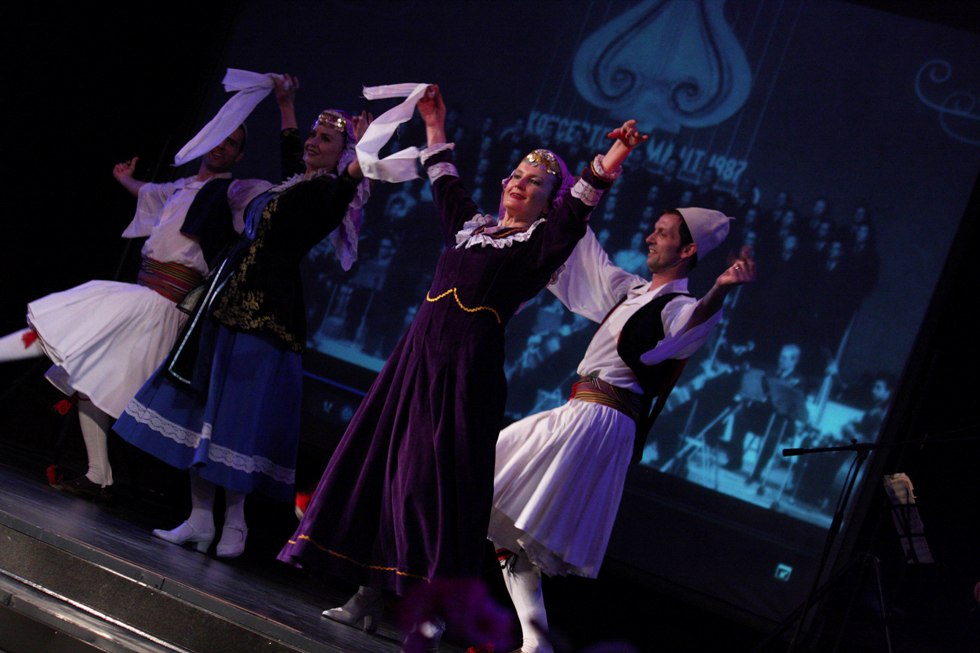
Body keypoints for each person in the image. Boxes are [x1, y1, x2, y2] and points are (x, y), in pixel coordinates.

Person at [277, 84, 646, 645]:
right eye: (517, 175)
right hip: (414, 365)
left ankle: (434, 609)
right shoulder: (472, 228)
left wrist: (616, 152)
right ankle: (368, 594)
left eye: (535, 182)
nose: (519, 183)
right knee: (388, 474)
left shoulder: (538, 246)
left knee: (435, 490)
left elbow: (579, 207)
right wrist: (434, 120)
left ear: (549, 201)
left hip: (465, 375)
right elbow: (443, 177)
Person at [113, 74, 371, 558]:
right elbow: (292, 150)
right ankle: (199, 519)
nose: (313, 142)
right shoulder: (296, 183)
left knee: (236, 415)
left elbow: (346, 182)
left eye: (326, 139)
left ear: (344, 155)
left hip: (263, 314)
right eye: (314, 134)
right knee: (205, 406)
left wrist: (366, 153)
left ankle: (236, 525)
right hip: (225, 299)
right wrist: (286, 103)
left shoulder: (327, 195)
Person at [488, 206, 755, 653]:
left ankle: (434, 607)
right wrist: (566, 200)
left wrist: (719, 290)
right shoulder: (631, 291)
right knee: (508, 526)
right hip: (584, 412)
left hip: (598, 418)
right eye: (654, 230)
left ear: (686, 250)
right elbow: (590, 258)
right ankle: (535, 643)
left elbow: (688, 328)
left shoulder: (679, 307)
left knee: (481, 480)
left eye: (663, 234)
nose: (650, 237)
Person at [0, 122, 267, 500]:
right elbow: (149, 193)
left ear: (239, 155)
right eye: (219, 137)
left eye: (232, 143)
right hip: (142, 298)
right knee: (85, 370)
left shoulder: (233, 192)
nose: (222, 146)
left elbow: (270, 197)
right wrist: (126, 179)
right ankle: (99, 474)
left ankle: (103, 474)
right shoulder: (181, 186)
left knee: (66, 338)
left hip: (163, 305)